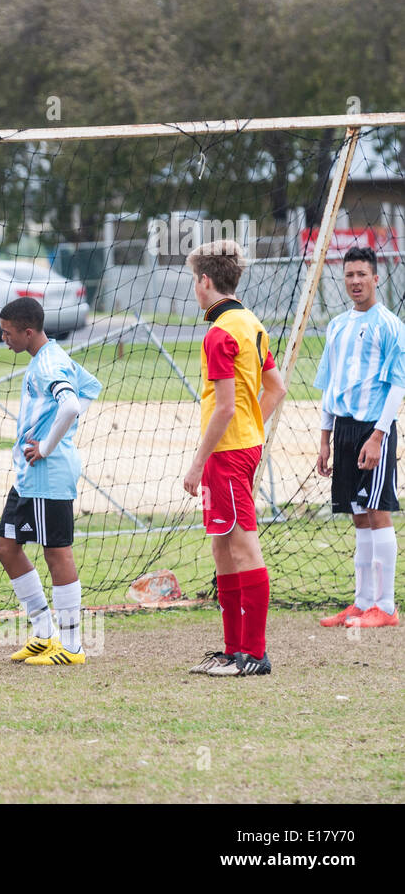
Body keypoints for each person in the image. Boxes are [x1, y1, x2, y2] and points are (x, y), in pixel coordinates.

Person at [182, 240, 286, 677]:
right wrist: (254, 436)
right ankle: (232, 650)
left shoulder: (220, 332)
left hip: (225, 453)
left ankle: (254, 655)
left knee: (242, 543)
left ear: (205, 281)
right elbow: (275, 388)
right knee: (222, 544)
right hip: (241, 447)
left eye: (193, 280)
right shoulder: (251, 322)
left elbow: (224, 407)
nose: (193, 288)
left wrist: (196, 463)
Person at [0, 297, 101, 667]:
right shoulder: (50, 357)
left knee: (57, 552)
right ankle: (44, 633)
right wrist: (51, 433)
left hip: (46, 472)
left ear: (27, 331)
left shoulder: (50, 363)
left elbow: (70, 404)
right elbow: (89, 389)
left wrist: (49, 445)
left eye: (7, 333)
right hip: (29, 475)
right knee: (5, 546)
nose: (2, 338)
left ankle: (71, 647)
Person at [314, 246, 403, 629]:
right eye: (349, 275)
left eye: (362, 274)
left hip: (373, 430)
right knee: (358, 516)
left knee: (378, 512)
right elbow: (329, 385)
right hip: (345, 430)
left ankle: (385, 607)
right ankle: (362, 602)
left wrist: (379, 436)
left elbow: (398, 387)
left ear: (375, 277)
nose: (355, 281)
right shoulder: (337, 326)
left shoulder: (389, 325)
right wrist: (324, 438)